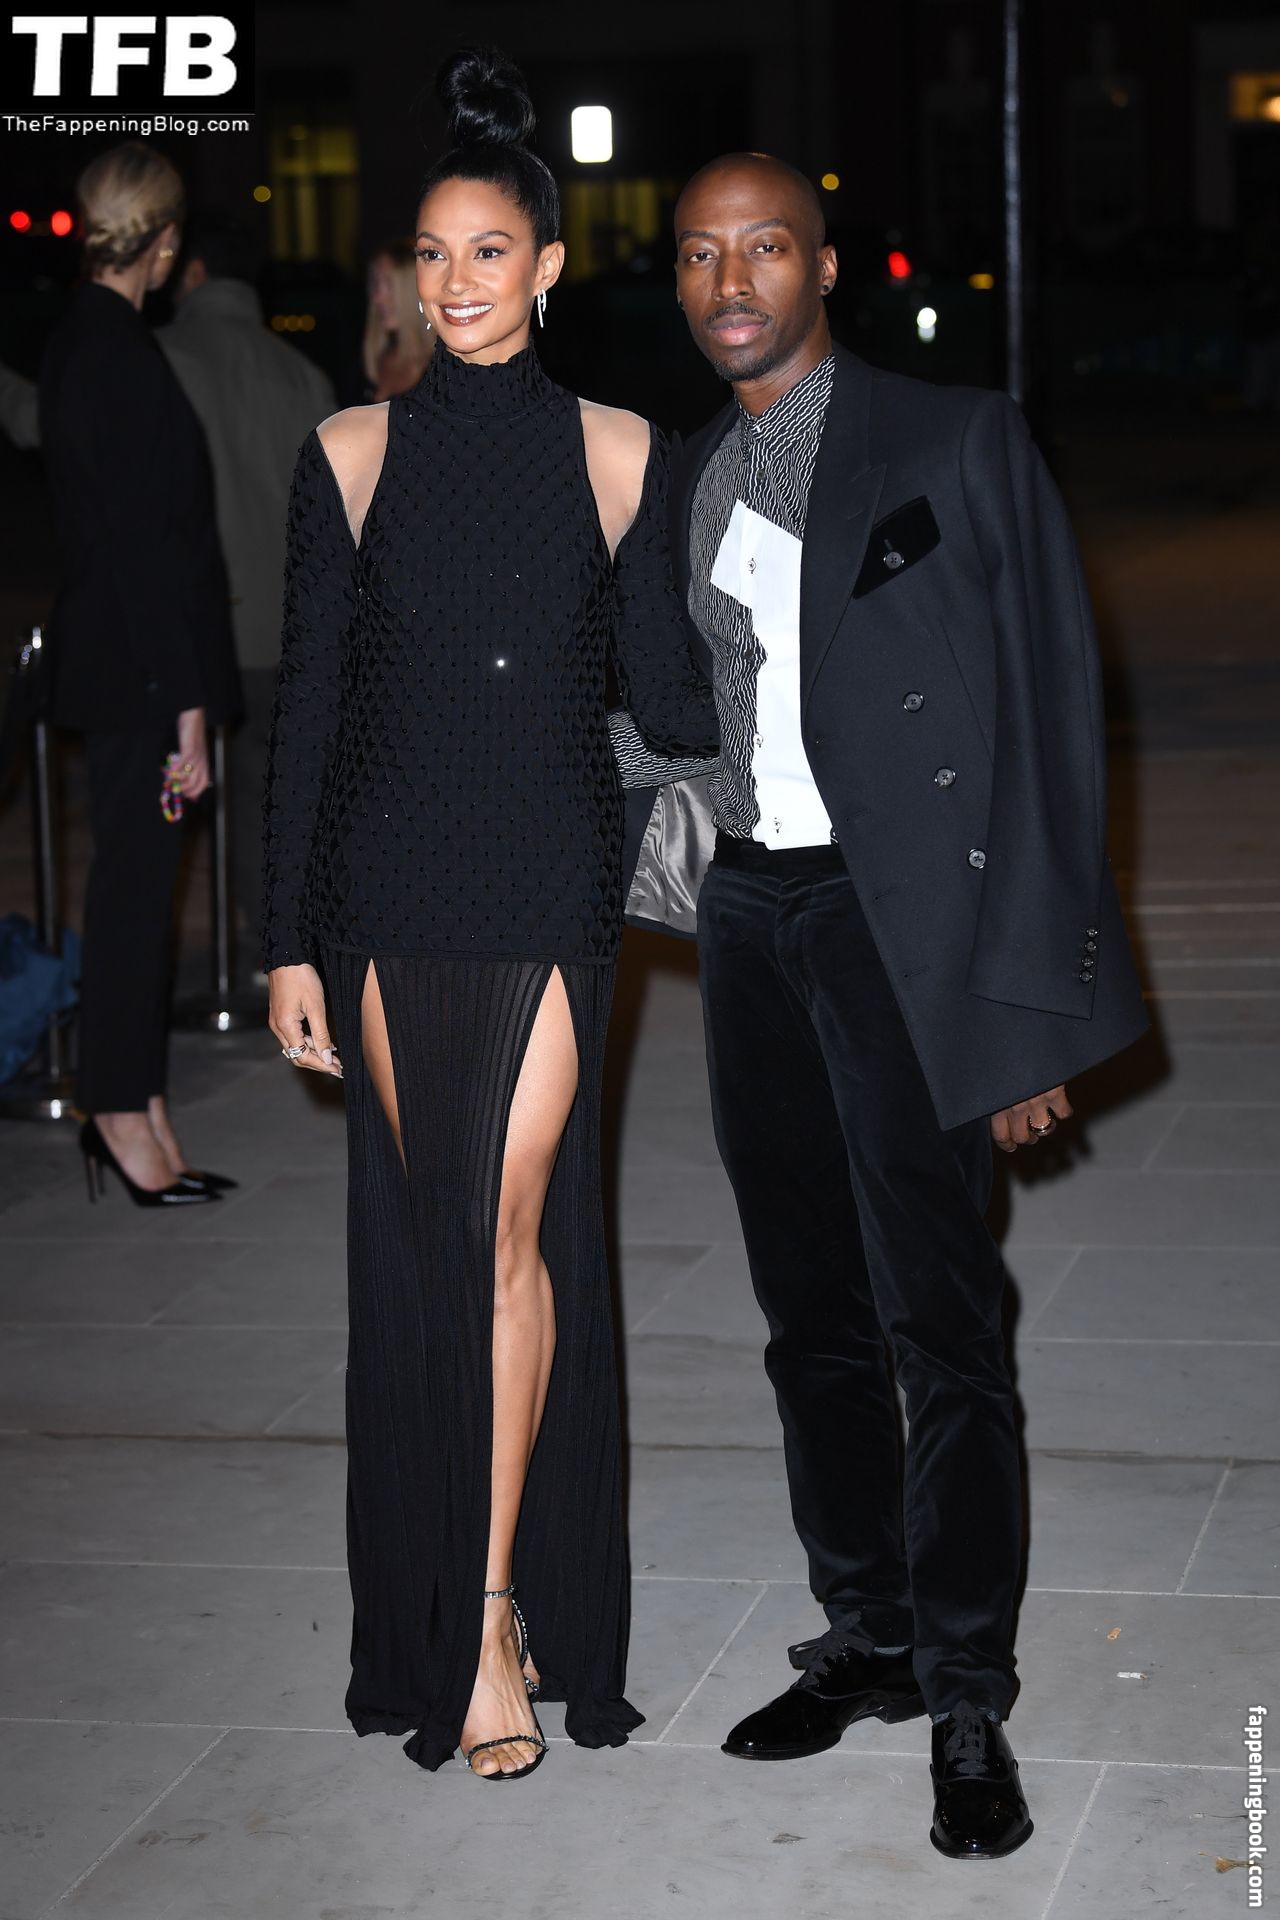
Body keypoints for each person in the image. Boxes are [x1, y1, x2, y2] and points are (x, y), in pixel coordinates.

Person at [662, 152, 1147, 1858]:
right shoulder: (687, 472)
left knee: (940, 1319)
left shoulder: (954, 438)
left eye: (764, 248)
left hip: (902, 925)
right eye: (701, 253)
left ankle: (964, 1691)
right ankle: (864, 1630)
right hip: (750, 911)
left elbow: (1053, 715)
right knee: (807, 1308)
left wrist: (1020, 1011)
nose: (731, 280)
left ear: (824, 266)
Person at [262, 50, 718, 1780]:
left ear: (547, 267)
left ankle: (490, 1610)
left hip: (545, 881)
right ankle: (457, 1606)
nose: (456, 283)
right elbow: (310, 716)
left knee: (503, 1222)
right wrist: (289, 939)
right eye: (433, 255)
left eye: (489, 253)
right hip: (387, 886)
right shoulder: (348, 452)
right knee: (441, 1238)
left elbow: (669, 702)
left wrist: (755, 593)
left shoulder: (619, 451)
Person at [39, 141, 241, 1205]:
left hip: (130, 666)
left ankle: (140, 1101)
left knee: (141, 891)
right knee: (131, 894)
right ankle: (117, 1110)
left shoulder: (94, 340)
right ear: (163, 243)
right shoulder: (110, 352)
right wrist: (188, 706)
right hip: (142, 676)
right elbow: (143, 550)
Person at [159, 211, 336, 952]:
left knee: (175, 803)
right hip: (288, 629)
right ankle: (275, 951)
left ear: (194, 273)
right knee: (274, 799)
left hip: (194, 631)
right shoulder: (302, 373)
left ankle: (198, 961)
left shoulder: (160, 358)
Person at [362, 237, 436, 398]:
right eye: (375, 284)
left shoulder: (444, 372)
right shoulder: (371, 363)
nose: (377, 297)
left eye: (389, 285)